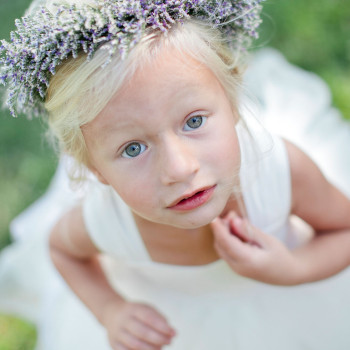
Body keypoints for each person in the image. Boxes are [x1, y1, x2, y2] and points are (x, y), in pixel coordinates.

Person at [1, 0, 350, 349]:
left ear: (233, 106)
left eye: (194, 121)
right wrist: (110, 310)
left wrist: (293, 268)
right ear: (96, 170)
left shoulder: (280, 171)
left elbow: (344, 229)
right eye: (133, 148)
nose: (179, 169)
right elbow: (62, 251)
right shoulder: (107, 221)